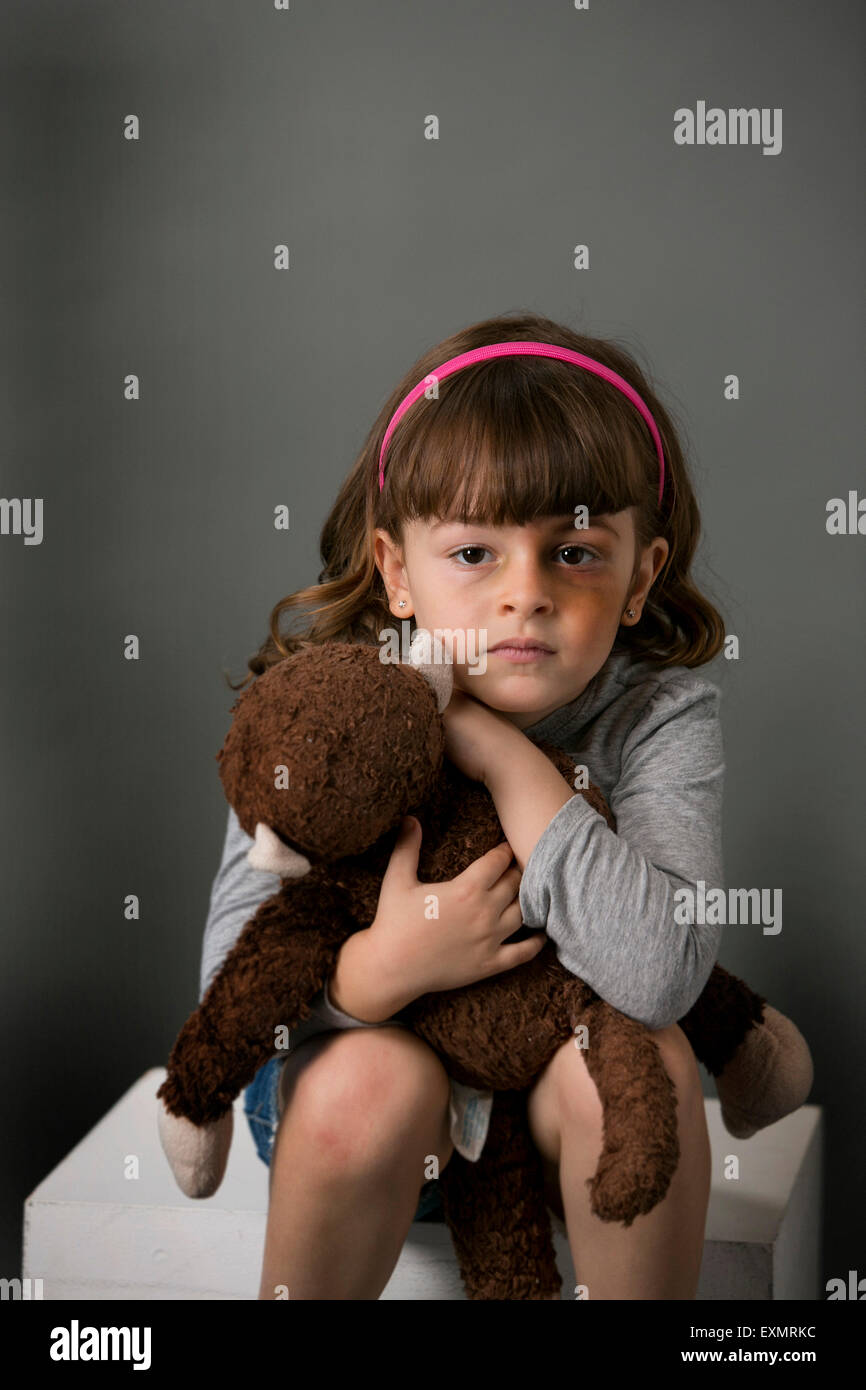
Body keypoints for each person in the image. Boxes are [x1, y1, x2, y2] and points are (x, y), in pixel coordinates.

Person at [200, 310, 727, 1300]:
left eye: (572, 552)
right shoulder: (335, 707)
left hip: (551, 1119)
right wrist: (381, 970)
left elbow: (660, 972)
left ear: (637, 577)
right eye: (473, 553)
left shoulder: (657, 715)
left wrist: (491, 750)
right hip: (362, 1111)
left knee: (636, 1062)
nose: (522, 594)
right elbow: (230, 981)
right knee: (374, 1082)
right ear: (397, 571)